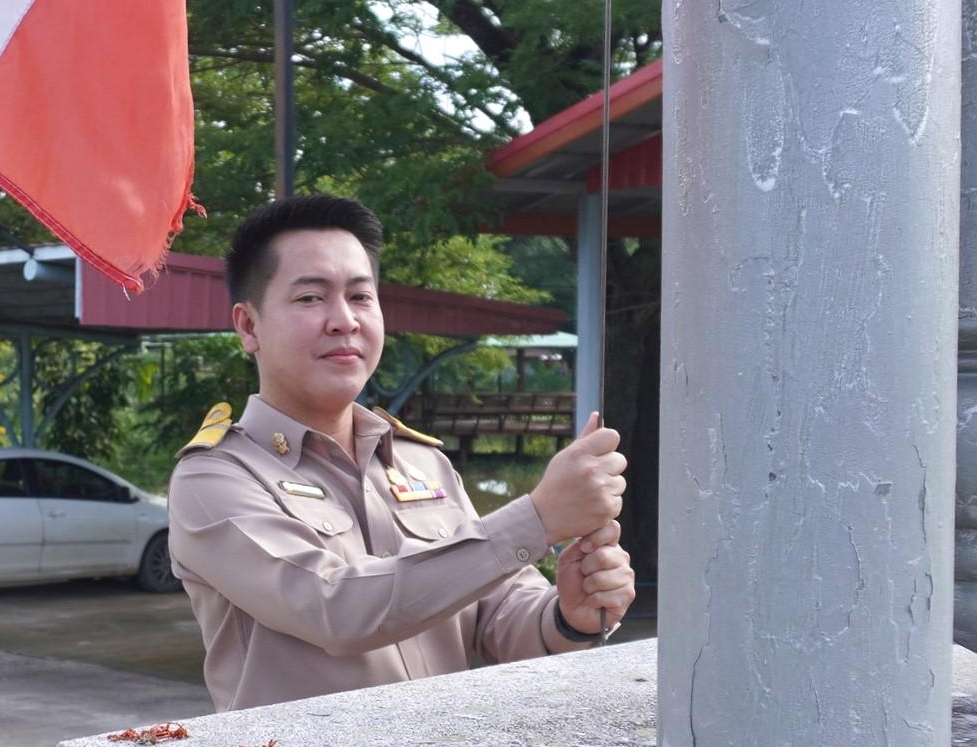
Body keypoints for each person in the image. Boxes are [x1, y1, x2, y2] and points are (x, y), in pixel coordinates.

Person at [166, 196, 636, 713]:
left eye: (361, 296)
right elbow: (336, 609)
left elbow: (500, 619)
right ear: (249, 327)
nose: (343, 320)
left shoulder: (422, 462)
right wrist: (538, 519)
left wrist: (570, 612)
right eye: (310, 299)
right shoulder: (215, 479)